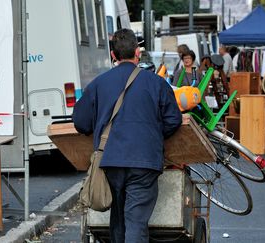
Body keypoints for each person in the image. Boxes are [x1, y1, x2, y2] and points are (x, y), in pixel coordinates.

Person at [72, 29, 182, 243]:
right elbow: (173, 120)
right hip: (144, 161)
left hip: (110, 159)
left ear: (113, 56)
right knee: (136, 221)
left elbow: (81, 122)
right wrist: (152, 135)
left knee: (119, 218)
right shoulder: (157, 83)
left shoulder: (98, 84)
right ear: (138, 52)